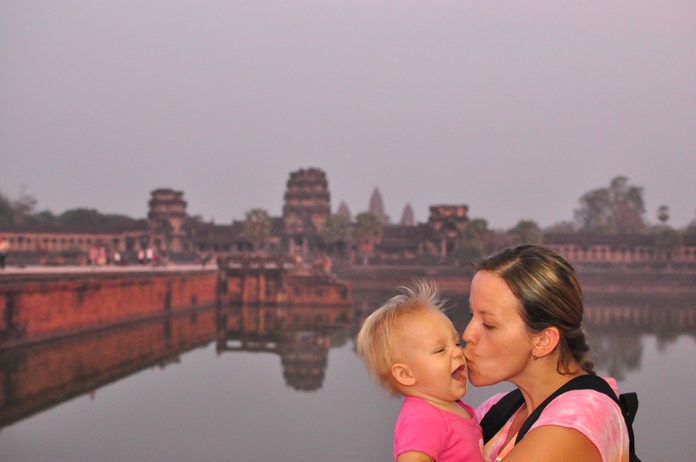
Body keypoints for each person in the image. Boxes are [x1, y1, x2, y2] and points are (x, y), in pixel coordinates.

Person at [463, 245, 630, 462]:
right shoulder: (497, 410)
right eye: (471, 314)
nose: (467, 334)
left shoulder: (578, 421)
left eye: (488, 324)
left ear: (543, 340)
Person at [357, 280, 484, 462]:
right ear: (405, 374)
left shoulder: (452, 408)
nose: (458, 352)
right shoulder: (424, 420)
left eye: (456, 343)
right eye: (440, 350)